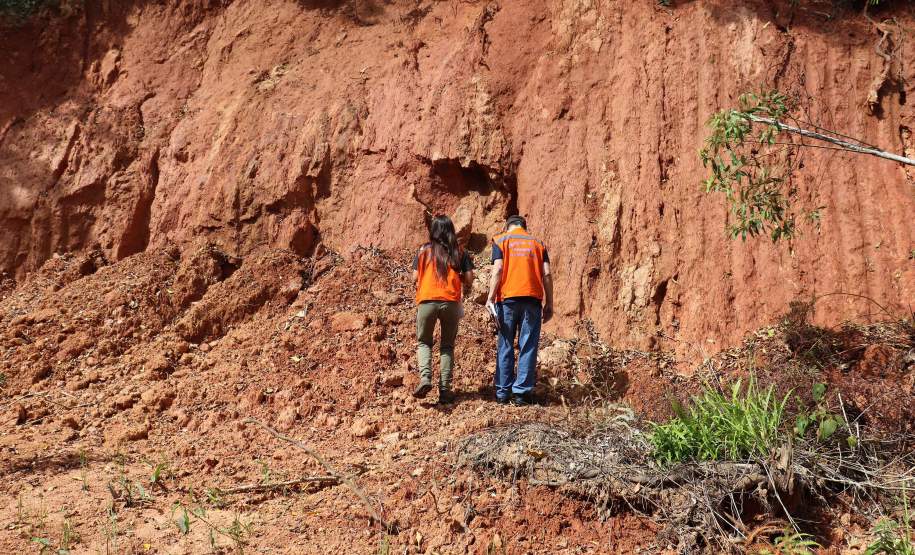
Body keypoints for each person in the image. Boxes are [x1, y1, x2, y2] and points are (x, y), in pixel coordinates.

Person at [485, 215, 553, 405]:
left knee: (505, 343)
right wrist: (550, 303)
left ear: (508, 227)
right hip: (532, 300)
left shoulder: (501, 240)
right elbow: (546, 273)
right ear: (524, 227)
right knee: (528, 345)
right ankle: (521, 393)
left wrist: (490, 298)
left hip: (507, 301)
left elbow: (498, 269)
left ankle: (502, 393)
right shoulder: (538, 244)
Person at [412, 215, 474, 404]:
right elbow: (470, 278)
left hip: (427, 301)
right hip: (451, 302)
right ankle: (445, 391)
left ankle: (425, 378)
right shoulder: (460, 252)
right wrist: (460, 278)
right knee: (447, 346)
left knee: (424, 342)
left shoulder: (423, 251)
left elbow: (414, 278)